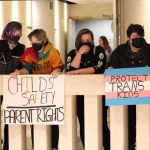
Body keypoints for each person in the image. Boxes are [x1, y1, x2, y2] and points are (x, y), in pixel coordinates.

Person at [11, 29, 64, 150]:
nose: (34, 45)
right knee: (35, 118)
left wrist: (57, 71)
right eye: (32, 42)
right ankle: (37, 146)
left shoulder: (53, 52)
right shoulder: (29, 52)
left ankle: (53, 146)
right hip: (35, 91)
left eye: (36, 42)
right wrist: (19, 72)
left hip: (50, 91)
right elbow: (27, 69)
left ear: (43, 40)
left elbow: (58, 67)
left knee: (51, 118)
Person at [66, 28, 110, 150]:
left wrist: (79, 71)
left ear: (92, 40)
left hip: (98, 94)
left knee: (101, 124)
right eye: (82, 40)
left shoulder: (98, 50)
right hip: (79, 96)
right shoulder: (72, 53)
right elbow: (70, 70)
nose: (85, 42)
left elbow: (98, 68)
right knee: (84, 124)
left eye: (88, 40)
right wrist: (79, 54)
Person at [108, 24, 150, 150]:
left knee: (144, 122)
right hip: (125, 96)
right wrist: (110, 68)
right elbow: (110, 65)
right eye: (135, 36)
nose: (138, 38)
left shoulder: (148, 49)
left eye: (140, 36)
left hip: (145, 96)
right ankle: (130, 145)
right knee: (128, 122)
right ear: (128, 38)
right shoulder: (120, 50)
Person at [0, 21, 25, 150]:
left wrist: (19, 71)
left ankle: (8, 147)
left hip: (12, 86)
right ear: (8, 32)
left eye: (19, 32)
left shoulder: (22, 48)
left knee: (10, 117)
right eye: (14, 31)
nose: (17, 34)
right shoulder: (0, 44)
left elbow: (24, 66)